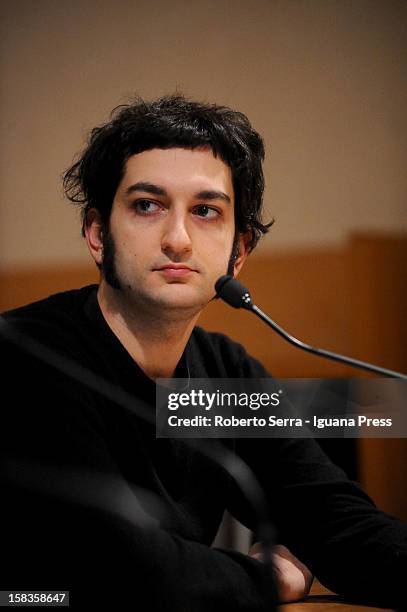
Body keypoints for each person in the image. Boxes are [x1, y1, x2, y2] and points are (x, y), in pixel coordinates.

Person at [1, 95, 406, 610]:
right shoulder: (27, 357)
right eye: (147, 206)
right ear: (98, 235)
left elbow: (337, 522)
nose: (178, 239)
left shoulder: (224, 374)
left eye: (206, 211)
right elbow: (117, 571)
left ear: (239, 253)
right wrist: (267, 578)